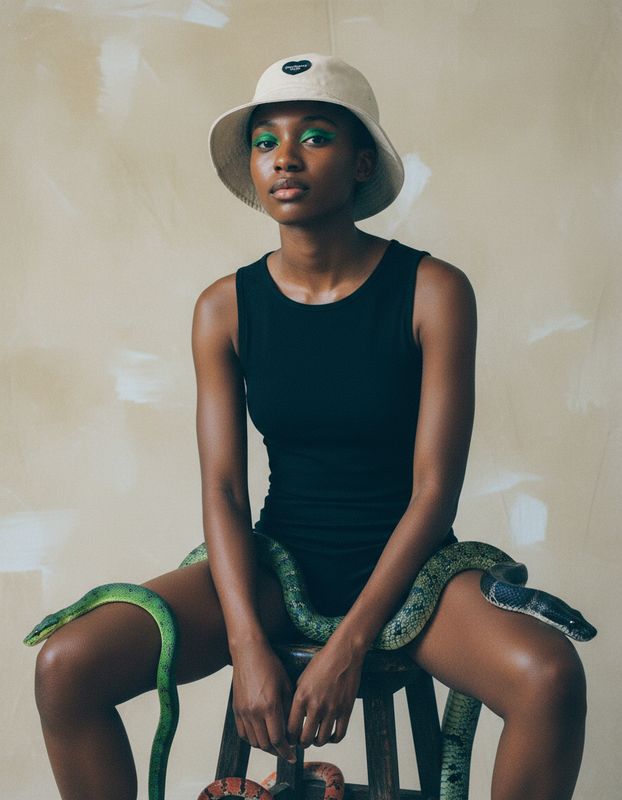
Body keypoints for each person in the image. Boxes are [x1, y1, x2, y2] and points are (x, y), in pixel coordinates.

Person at [33, 53, 587, 800]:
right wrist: (246, 642)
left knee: (549, 675)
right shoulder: (223, 308)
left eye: (315, 136)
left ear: (362, 164)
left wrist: (349, 645)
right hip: (277, 563)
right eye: (266, 142)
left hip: (409, 569)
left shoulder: (433, 291)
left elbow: (433, 493)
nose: (285, 158)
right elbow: (225, 491)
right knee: (66, 666)